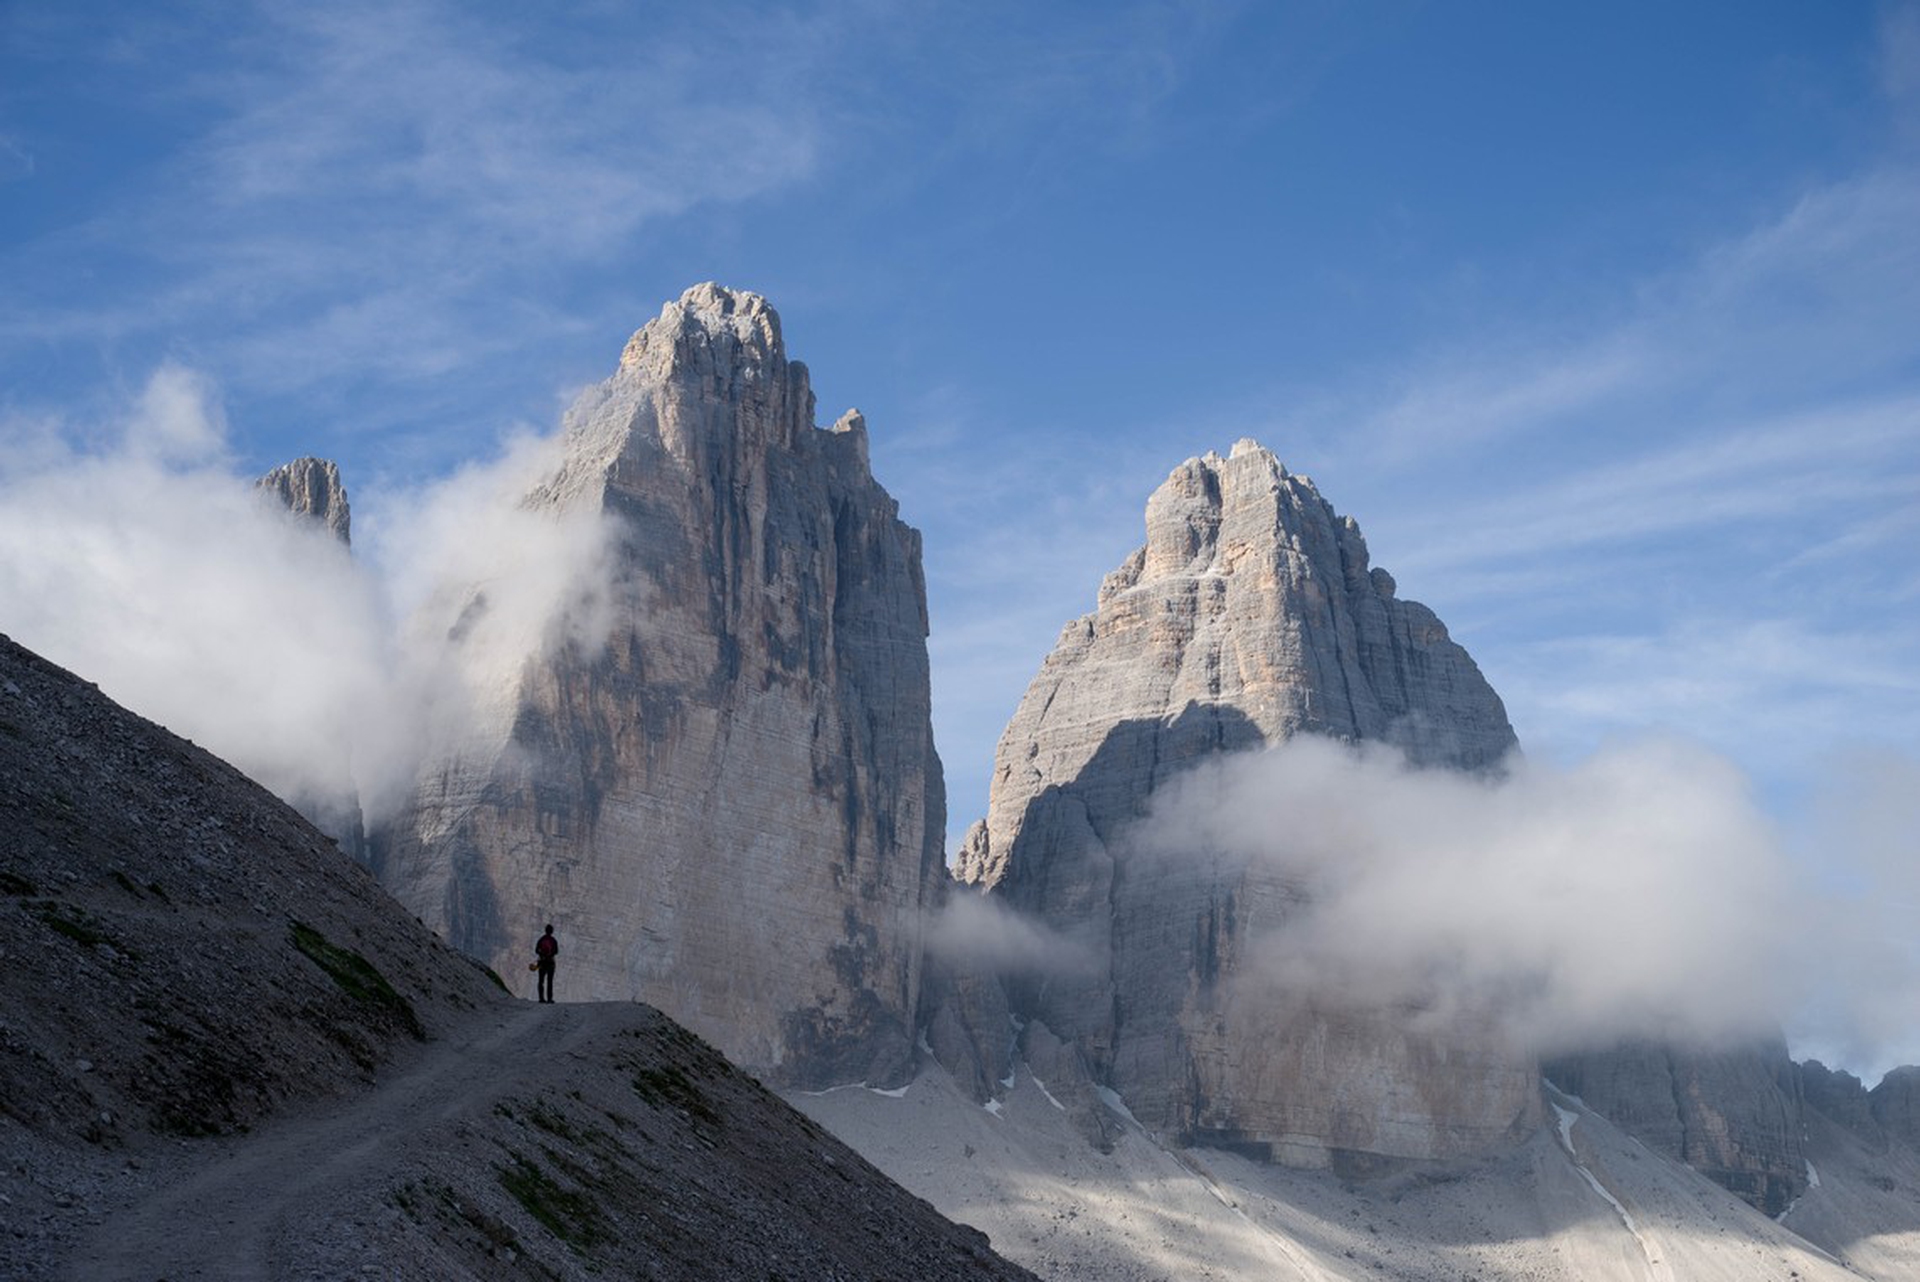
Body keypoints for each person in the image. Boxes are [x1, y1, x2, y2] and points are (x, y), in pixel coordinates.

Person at [534, 924, 558, 1003]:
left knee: (541, 981)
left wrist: (542, 954)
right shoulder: (553, 940)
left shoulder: (541, 939)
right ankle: (549, 999)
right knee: (549, 981)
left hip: (541, 963)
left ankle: (541, 998)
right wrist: (550, 954)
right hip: (550, 963)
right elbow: (556, 951)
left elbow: (536, 950)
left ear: (545, 930)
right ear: (552, 931)